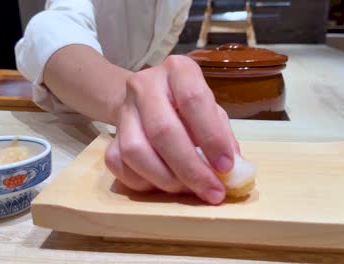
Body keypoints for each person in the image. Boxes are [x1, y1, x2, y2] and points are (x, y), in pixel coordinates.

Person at [15, 0, 240, 205]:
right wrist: (124, 99)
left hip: (113, 134)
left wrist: (154, 106)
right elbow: (51, 28)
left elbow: (151, 61)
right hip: (64, 135)